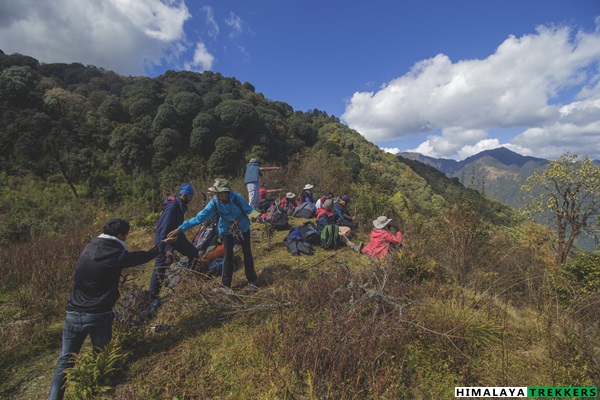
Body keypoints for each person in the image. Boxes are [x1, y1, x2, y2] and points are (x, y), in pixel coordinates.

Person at [49, 219, 173, 400]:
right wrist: (162, 245)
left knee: (64, 363)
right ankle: (99, 393)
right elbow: (143, 256)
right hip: (98, 315)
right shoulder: (116, 253)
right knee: (103, 361)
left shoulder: (89, 247)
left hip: (72, 313)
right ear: (122, 235)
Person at [168, 179, 259, 292]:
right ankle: (226, 286)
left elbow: (249, 210)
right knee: (228, 256)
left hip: (242, 227)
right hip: (226, 230)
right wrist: (180, 229)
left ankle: (252, 280)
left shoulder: (236, 198)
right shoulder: (215, 202)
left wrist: (255, 216)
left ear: (225, 193)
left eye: (218, 193)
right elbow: (199, 217)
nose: (216, 195)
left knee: (247, 252)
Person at [148, 183, 198, 304]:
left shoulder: (181, 205)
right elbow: (163, 229)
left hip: (176, 236)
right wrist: (167, 247)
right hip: (164, 240)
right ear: (184, 195)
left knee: (193, 253)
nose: (191, 199)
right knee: (160, 267)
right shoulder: (172, 207)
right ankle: (152, 298)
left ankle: (193, 278)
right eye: (190, 197)